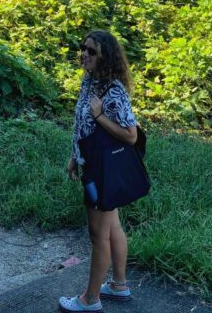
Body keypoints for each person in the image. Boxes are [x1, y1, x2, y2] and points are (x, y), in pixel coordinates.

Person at [60, 30, 139, 312]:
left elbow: (130, 135)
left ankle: (90, 299)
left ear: (106, 55)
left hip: (103, 171)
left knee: (98, 234)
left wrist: (100, 116)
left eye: (92, 51)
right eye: (83, 49)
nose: (84, 55)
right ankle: (119, 285)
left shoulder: (113, 90)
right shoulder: (89, 81)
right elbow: (83, 126)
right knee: (112, 226)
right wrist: (74, 157)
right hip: (90, 163)